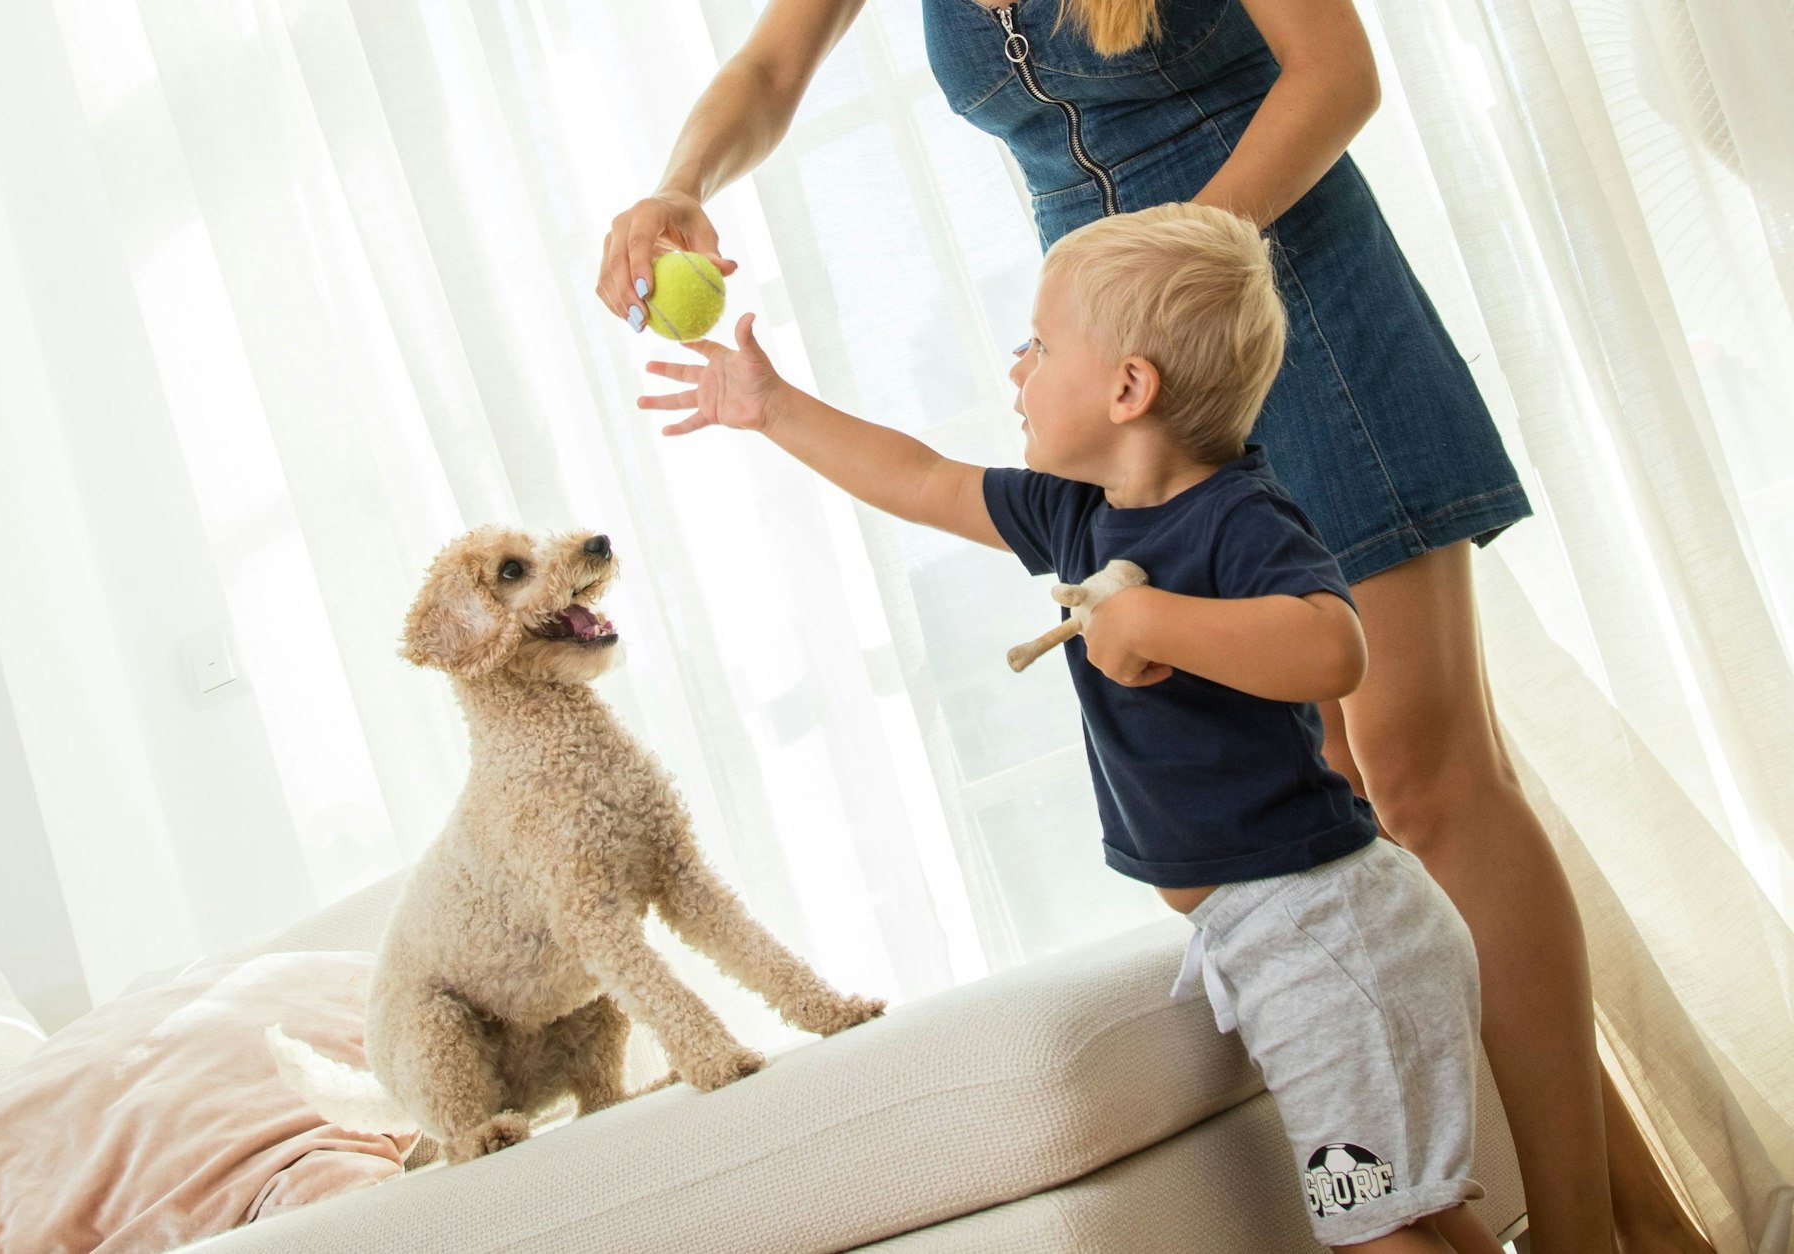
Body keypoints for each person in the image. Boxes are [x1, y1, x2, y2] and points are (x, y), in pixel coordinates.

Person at [600, 3, 1712, 1250]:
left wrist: (1181, 277)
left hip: (1264, 287)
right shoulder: (1070, 439)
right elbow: (767, 66)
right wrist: (676, 185)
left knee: (1418, 768)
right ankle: (1614, 1224)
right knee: (1325, 802)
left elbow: (1333, 75)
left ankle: (1592, 1235)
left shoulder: (1179, 307)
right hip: (1114, 358)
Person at [642, 201, 1504, 1253]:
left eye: (1039, 345)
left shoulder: (1236, 515)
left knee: (1367, 1230)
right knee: (1403, 1214)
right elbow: (922, 481)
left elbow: (1331, 650)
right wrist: (773, 410)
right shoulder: (1076, 512)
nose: (1015, 366)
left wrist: (1153, 618)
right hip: (1276, 936)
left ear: (1127, 389)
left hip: (1327, 935)